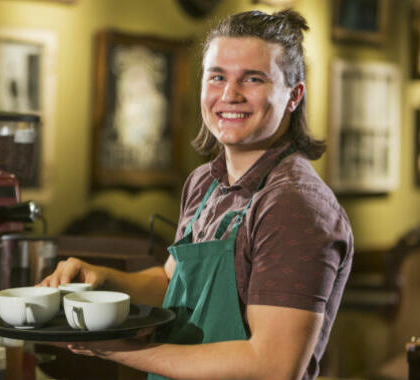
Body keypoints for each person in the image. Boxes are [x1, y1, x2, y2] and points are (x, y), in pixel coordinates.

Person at [40, 9, 353, 380]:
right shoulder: (204, 183)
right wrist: (104, 279)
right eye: (217, 77)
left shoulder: (294, 204)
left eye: (252, 79)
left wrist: (117, 349)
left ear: (293, 96)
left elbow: (272, 366)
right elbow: (174, 284)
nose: (229, 95)